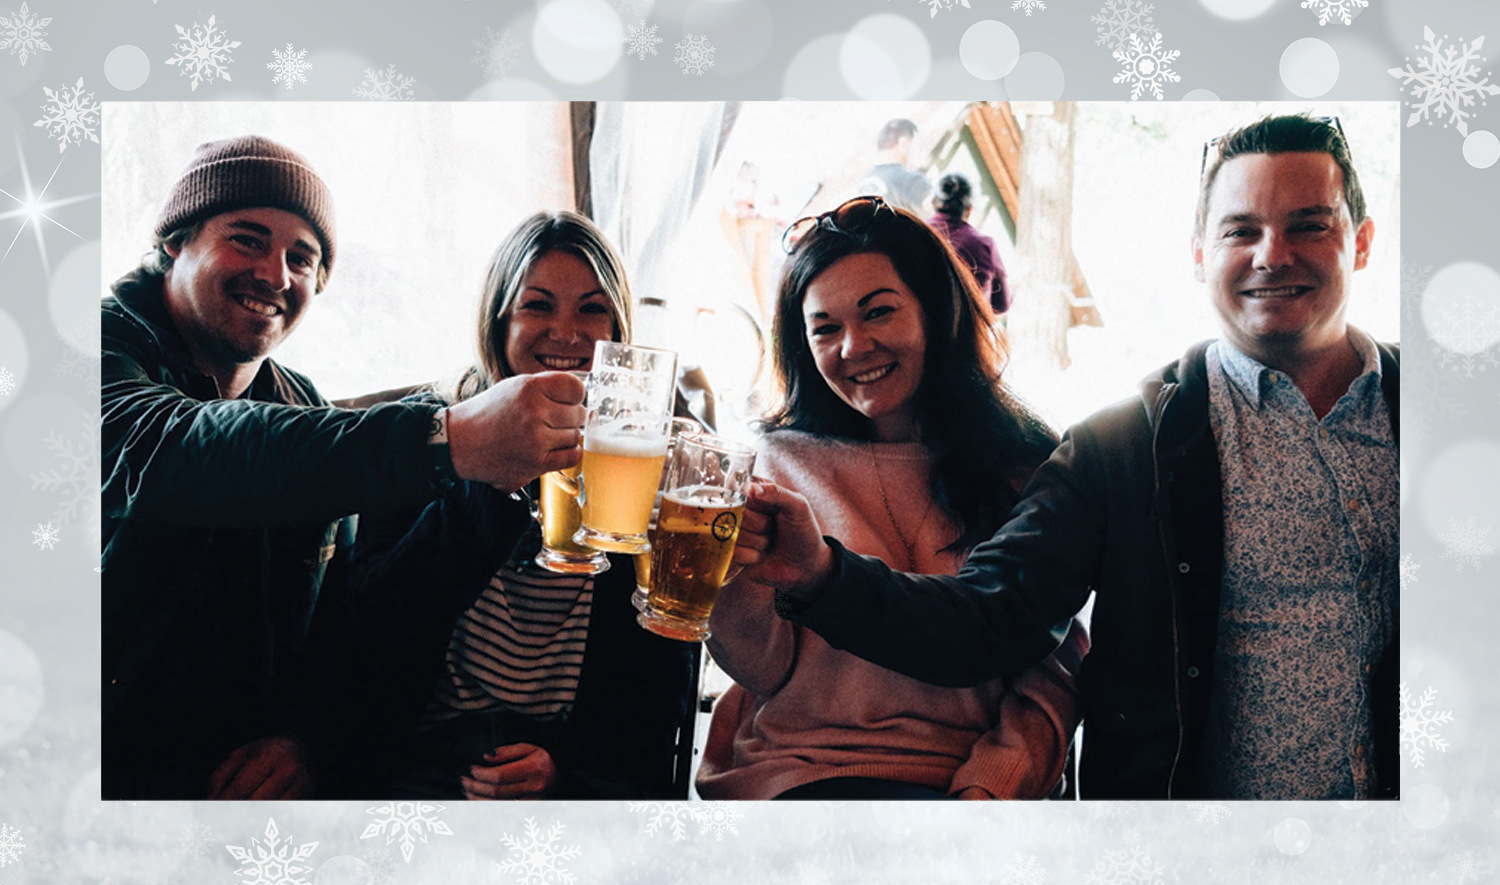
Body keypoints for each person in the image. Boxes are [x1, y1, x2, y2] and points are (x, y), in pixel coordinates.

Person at [735, 113, 1399, 801]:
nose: (1272, 255)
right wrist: (820, 575)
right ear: (1199, 253)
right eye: (1241, 230)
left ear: (1362, 242)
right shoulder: (1122, 447)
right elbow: (987, 621)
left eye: (1309, 225)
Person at [101, 136, 587, 800]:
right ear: (174, 242)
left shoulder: (298, 402)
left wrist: (304, 740)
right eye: (248, 239)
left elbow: (341, 632)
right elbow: (173, 448)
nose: (274, 275)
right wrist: (449, 440)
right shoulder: (90, 351)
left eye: (301, 258)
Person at [695, 197, 1087, 801]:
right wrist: (724, 574)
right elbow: (763, 670)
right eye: (825, 328)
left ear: (937, 313)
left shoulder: (1027, 465)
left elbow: (1053, 669)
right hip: (801, 773)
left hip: (963, 785)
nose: (853, 347)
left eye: (878, 313)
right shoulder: (776, 463)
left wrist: (992, 787)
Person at [347, 211, 697, 799]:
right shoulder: (430, 434)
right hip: (417, 762)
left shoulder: (648, 456)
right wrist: (489, 477)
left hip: (573, 771)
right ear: (499, 321)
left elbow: (657, 682)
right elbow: (371, 638)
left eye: (592, 309)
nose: (566, 332)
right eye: (538, 306)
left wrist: (568, 773)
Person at [927, 173, 1011, 315]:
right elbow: (1002, 304)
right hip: (965, 333)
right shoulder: (983, 245)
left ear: (934, 202)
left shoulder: (914, 232)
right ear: (970, 208)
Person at [855, 118, 932, 215]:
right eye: (915, 145)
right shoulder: (909, 179)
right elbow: (943, 211)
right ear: (903, 143)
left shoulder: (862, 183)